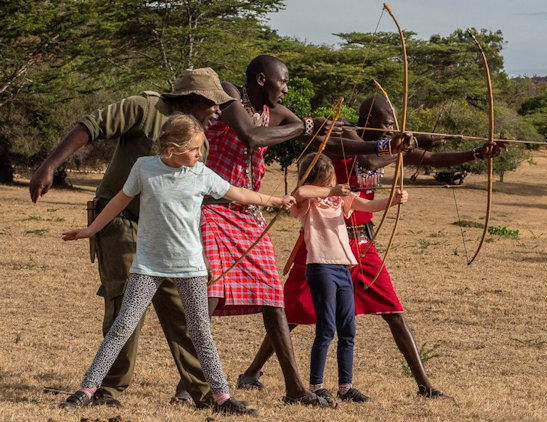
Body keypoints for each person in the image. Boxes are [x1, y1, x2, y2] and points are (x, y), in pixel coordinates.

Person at [241, 95, 504, 399]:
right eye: (386, 123)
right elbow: (368, 158)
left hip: (362, 244)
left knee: (393, 310)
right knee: (296, 313)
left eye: (393, 124)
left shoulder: (389, 146)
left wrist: (475, 153)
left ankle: (424, 385)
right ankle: (251, 372)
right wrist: (410, 144)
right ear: (367, 120)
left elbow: (428, 159)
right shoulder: (344, 137)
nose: (392, 129)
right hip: (323, 241)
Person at [196, 55, 413, 405]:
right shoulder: (228, 94)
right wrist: (304, 128)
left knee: (272, 299)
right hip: (216, 210)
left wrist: (386, 145)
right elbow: (251, 136)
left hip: (249, 214)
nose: (287, 89)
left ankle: (295, 388)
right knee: (211, 297)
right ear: (263, 79)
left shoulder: (277, 114)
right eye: (283, 82)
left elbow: (336, 142)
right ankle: (190, 383)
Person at [58, 114, 294, 414]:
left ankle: (222, 399)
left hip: (191, 269)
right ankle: (86, 390)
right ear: (172, 149)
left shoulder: (201, 173)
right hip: (147, 267)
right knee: (122, 328)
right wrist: (91, 230)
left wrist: (275, 201)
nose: (199, 154)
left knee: (200, 333)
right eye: (195, 148)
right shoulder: (144, 168)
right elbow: (119, 200)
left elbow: (238, 193)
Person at [29, 68, 233, 408]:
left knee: (183, 313)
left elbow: (188, 202)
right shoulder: (143, 107)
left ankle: (207, 393)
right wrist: (49, 165)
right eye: (214, 104)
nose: (218, 112)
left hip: (165, 237)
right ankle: (108, 391)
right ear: (194, 98)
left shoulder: (200, 143)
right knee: (125, 304)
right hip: (119, 221)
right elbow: (89, 127)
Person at [290, 152, 407, 405]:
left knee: (348, 329)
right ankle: (316, 385)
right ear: (320, 178)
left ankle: (345, 386)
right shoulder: (308, 202)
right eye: (328, 176)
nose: (333, 179)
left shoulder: (339, 200)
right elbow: (300, 193)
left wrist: (392, 200)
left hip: (343, 267)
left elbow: (367, 205)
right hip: (320, 267)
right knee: (326, 329)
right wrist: (330, 191)